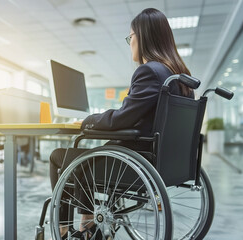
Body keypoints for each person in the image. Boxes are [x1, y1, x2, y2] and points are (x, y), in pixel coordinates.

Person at [49, 8, 195, 238]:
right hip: (163, 161)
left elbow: (123, 118)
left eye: (131, 37)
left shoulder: (149, 71)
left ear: (143, 37)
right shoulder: (179, 76)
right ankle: (87, 222)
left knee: (59, 156)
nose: (130, 43)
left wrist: (87, 121)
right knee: (89, 155)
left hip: (134, 164)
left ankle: (65, 228)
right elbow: (134, 115)